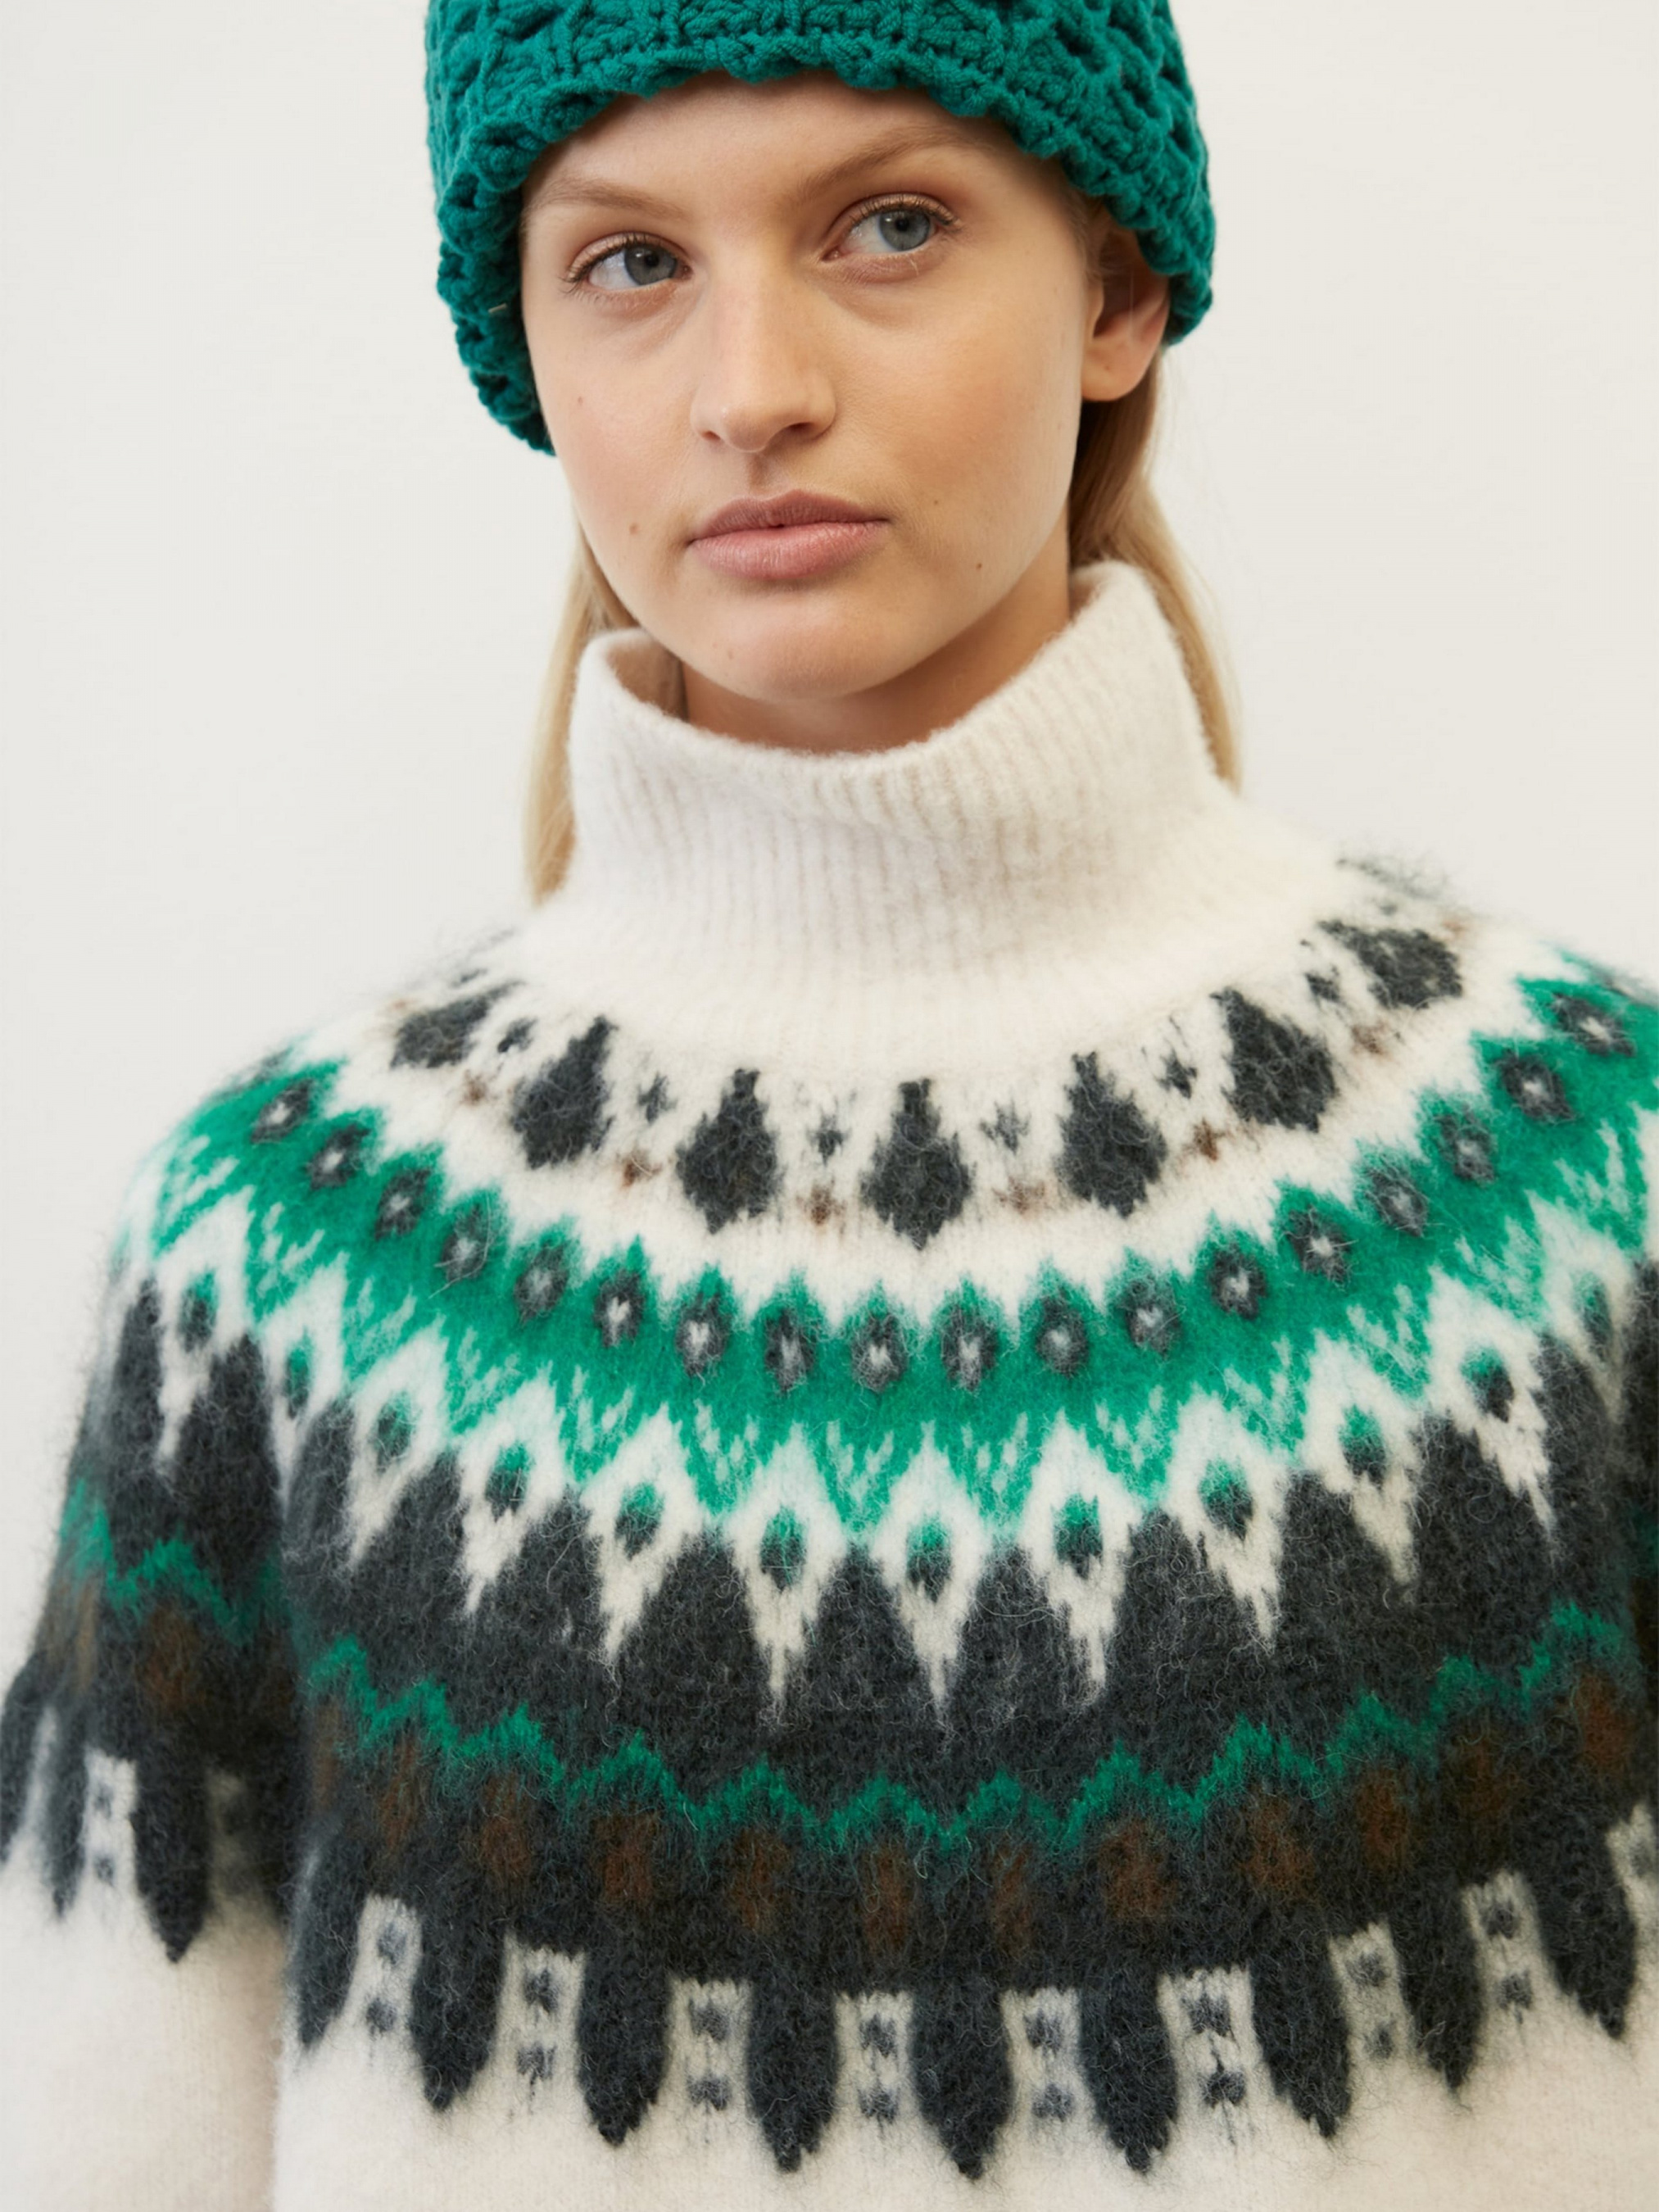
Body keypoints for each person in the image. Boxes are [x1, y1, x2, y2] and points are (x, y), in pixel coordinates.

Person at [0, 2, 1654, 2206]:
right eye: (628, 262)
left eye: (887, 226)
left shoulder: (1572, 1180)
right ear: (524, 348)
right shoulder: (278, 1261)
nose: (752, 384)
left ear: (1114, 286)